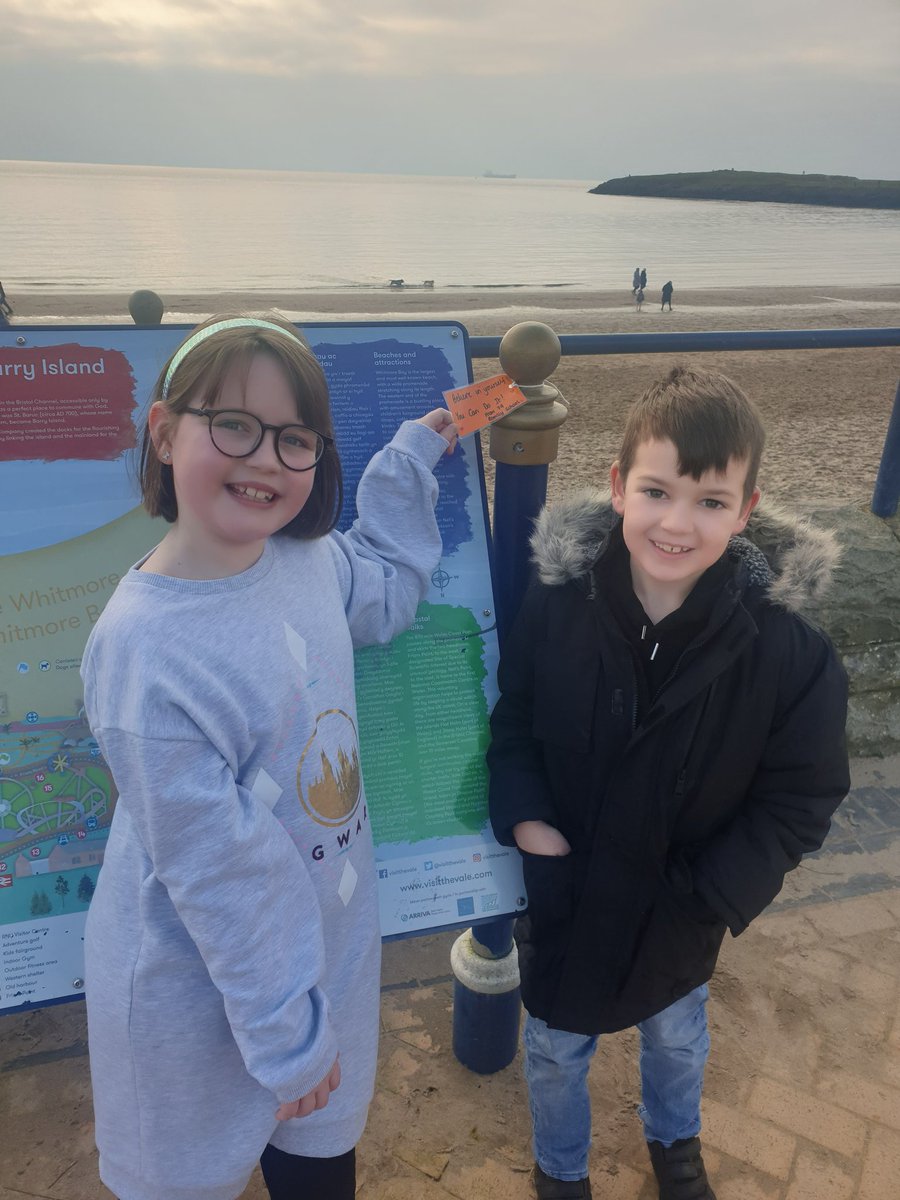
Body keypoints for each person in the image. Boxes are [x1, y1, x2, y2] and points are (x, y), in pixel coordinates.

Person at [80, 315, 458, 1200]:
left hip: (320, 961)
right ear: (165, 431)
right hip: (190, 1000)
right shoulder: (146, 651)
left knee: (321, 1173)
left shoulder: (305, 556)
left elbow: (385, 590)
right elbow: (222, 876)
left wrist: (407, 463)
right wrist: (286, 1036)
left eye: (294, 440)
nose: (263, 460)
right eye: (233, 425)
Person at [487, 365, 849, 1200]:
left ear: (747, 509)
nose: (678, 523)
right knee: (553, 1047)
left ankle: (673, 1144)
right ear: (618, 488)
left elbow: (801, 796)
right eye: (658, 491)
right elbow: (515, 718)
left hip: (681, 905)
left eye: (711, 502)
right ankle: (561, 1170)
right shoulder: (559, 604)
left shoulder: (785, 653)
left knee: (678, 1035)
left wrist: (709, 894)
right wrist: (528, 823)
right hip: (568, 886)